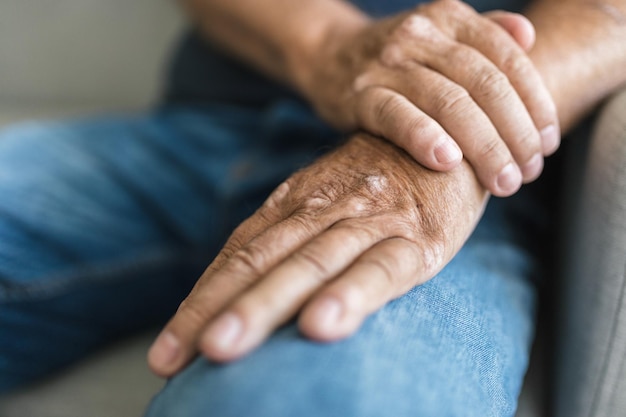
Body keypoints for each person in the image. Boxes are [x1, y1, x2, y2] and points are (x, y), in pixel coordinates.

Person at [0, 0, 624, 415]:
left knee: (301, 399)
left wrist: (446, 137)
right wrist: (329, 46)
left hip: (458, 186)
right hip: (202, 127)